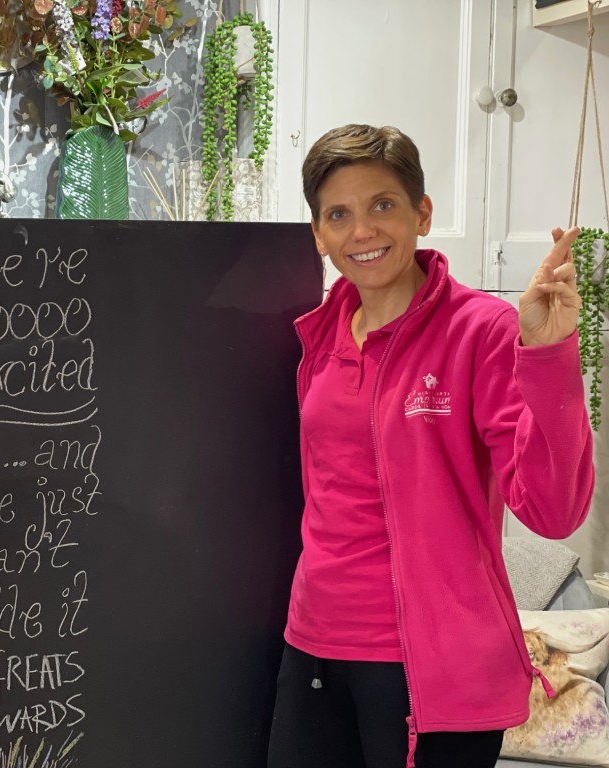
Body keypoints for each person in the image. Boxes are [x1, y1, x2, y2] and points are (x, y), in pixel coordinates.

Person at [266, 124, 595, 768]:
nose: (362, 232)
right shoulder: (319, 336)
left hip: (430, 665)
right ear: (318, 233)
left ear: (422, 213)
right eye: (339, 214)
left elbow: (553, 511)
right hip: (314, 642)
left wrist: (550, 356)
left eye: (382, 205)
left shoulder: (482, 330)